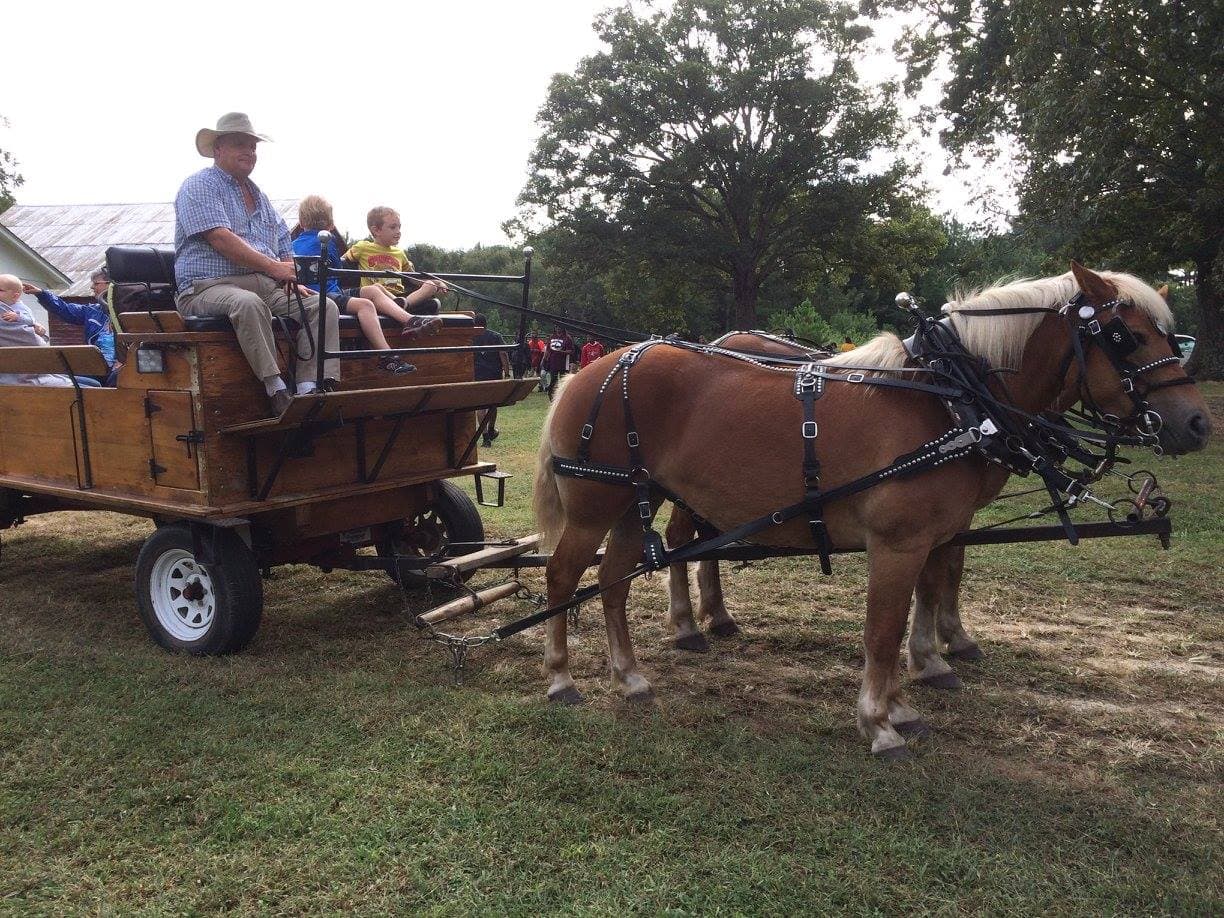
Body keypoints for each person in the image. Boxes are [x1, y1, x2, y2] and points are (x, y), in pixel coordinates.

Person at [173, 112, 340, 416]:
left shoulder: (258, 195)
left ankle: (309, 388)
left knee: (323, 305)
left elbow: (281, 239)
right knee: (248, 303)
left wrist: (290, 272)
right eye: (240, 144)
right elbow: (221, 239)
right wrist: (276, 269)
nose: (249, 152)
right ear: (217, 149)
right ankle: (275, 388)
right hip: (206, 288)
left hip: (265, 284)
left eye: (252, 146)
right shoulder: (198, 186)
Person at [292, 196, 415, 375]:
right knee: (365, 304)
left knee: (373, 289)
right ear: (330, 223)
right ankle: (387, 356)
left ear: (302, 222)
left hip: (317, 293)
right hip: (324, 294)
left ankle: (409, 319)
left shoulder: (293, 244)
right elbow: (337, 268)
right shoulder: (327, 242)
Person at [343, 206, 448, 332]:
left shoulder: (400, 253)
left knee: (430, 285)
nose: (398, 231)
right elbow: (340, 263)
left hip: (400, 296)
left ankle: (403, 304)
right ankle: (401, 308)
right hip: (378, 296)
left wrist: (438, 283)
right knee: (376, 288)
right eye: (393, 227)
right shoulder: (362, 247)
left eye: (399, 227)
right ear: (376, 230)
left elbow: (412, 278)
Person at [22, 267, 121, 385]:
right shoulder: (92, 311)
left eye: (96, 283)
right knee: (62, 375)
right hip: (97, 367)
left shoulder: (131, 310)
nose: (92, 287)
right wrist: (42, 294)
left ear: (111, 285)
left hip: (120, 369)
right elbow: (65, 309)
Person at [0, 274, 101, 388]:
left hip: (37, 370)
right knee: (97, 389)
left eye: (96, 283)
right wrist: (35, 328)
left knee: (96, 382)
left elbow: (35, 331)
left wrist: (35, 326)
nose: (92, 287)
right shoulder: (4, 311)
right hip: (25, 376)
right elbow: (32, 339)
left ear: (15, 296)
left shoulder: (17, 307)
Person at [471, 313, 510, 447]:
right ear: (486, 323)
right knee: (493, 404)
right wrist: (506, 371)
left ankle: (485, 436)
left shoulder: (470, 337)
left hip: (477, 374)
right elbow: (503, 353)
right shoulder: (495, 336)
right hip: (493, 373)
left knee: (480, 406)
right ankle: (491, 429)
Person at [542, 326, 574, 399]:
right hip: (553, 362)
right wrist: (544, 359)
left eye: (559, 327)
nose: (558, 328)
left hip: (563, 363)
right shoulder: (552, 337)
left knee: (563, 379)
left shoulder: (567, 338)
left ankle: (563, 395)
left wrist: (561, 352)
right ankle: (551, 395)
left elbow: (571, 351)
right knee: (553, 379)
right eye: (556, 327)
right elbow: (547, 349)